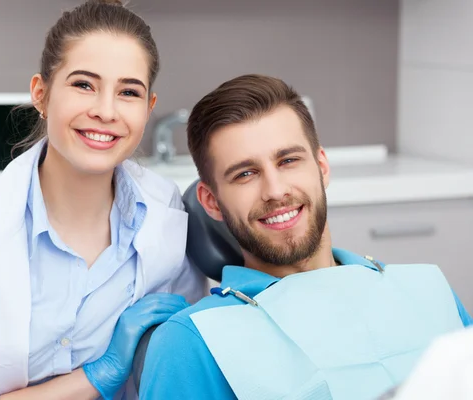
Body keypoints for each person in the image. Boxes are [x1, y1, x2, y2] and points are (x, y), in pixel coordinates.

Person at [0, 1, 206, 399]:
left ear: (148, 108)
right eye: (83, 84)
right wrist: (98, 375)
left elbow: (180, 366)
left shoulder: (166, 211)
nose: (105, 111)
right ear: (41, 94)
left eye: (128, 92)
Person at [138, 74, 472, 400]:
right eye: (246, 174)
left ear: (322, 167)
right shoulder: (193, 342)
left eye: (288, 160)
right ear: (211, 201)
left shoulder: (428, 289)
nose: (275, 190)